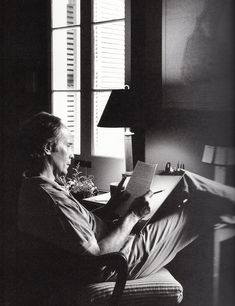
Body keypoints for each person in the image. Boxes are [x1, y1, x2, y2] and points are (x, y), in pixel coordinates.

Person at [18, 112, 235, 281]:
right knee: (200, 206)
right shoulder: (51, 199)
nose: (72, 154)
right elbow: (98, 257)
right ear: (48, 147)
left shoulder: (35, 186)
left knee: (183, 182)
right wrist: (132, 215)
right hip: (116, 264)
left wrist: (112, 206)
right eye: (68, 146)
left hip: (116, 244)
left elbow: (78, 227)